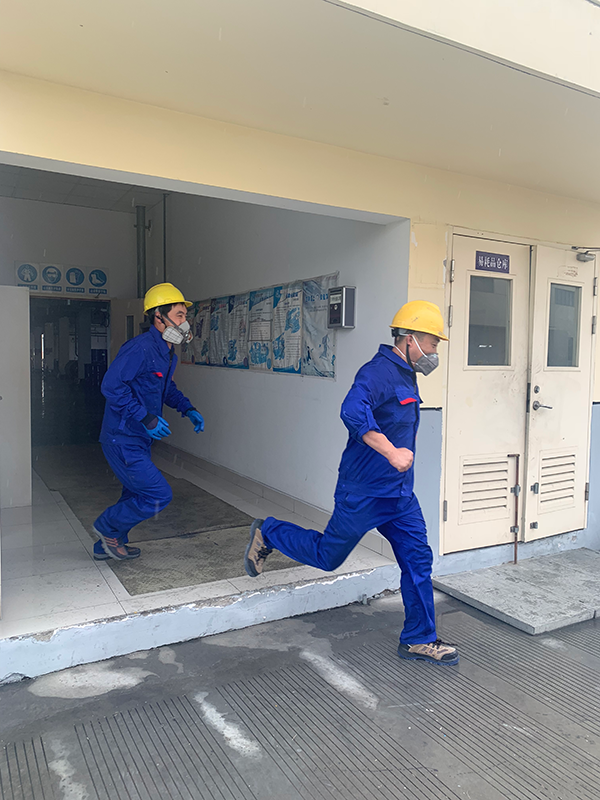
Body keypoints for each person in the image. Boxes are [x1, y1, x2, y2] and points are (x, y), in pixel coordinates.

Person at [244, 300, 459, 666]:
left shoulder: (407, 373)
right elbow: (351, 410)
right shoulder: (377, 372)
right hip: (363, 492)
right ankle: (270, 532)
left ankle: (419, 639)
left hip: (399, 495)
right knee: (328, 556)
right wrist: (391, 452)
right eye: (433, 342)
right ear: (410, 339)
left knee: (418, 560)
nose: (435, 350)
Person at [92, 283, 205, 560]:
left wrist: (188, 408)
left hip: (139, 439)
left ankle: (106, 545)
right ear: (158, 317)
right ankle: (106, 526)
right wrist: (145, 417)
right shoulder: (140, 348)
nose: (185, 323)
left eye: (185, 316)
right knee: (157, 494)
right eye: (179, 315)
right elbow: (111, 386)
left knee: (134, 493)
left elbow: (166, 389)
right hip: (122, 437)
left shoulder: (168, 352)